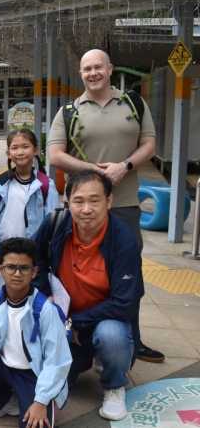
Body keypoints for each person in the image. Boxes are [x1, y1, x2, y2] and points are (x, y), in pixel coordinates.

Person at [47, 48, 161, 363]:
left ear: (110, 69)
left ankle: (130, 340)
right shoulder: (68, 111)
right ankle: (81, 335)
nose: (93, 73)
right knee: (77, 275)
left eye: (98, 67)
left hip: (124, 206)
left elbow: (149, 145)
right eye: (87, 69)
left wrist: (125, 166)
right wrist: (95, 173)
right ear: (81, 74)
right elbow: (55, 155)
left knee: (127, 277)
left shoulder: (134, 104)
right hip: (81, 208)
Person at [32, 169, 144, 421]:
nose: (86, 209)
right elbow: (34, 259)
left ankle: (114, 385)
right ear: (67, 201)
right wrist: (45, 294)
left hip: (103, 319)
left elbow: (124, 304)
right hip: (64, 318)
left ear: (109, 201)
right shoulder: (55, 223)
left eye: (95, 200)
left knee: (111, 335)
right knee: (52, 377)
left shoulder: (124, 240)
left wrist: (75, 323)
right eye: (78, 201)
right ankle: (87, 354)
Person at [0, 237, 71, 428]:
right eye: (11, 267)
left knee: (36, 424)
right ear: (1, 270)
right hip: (4, 367)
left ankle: (43, 400)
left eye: (24, 268)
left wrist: (41, 401)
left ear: (34, 272)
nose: (17, 274)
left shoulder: (44, 310)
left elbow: (57, 361)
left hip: (34, 375)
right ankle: (8, 402)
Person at [0, 129, 59, 292]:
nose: (20, 152)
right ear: (8, 153)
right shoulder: (0, 184)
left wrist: (47, 252)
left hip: (34, 254)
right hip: (6, 253)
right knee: (3, 297)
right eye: (15, 148)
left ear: (36, 150)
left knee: (32, 296)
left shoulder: (45, 184)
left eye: (25, 146)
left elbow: (53, 223)